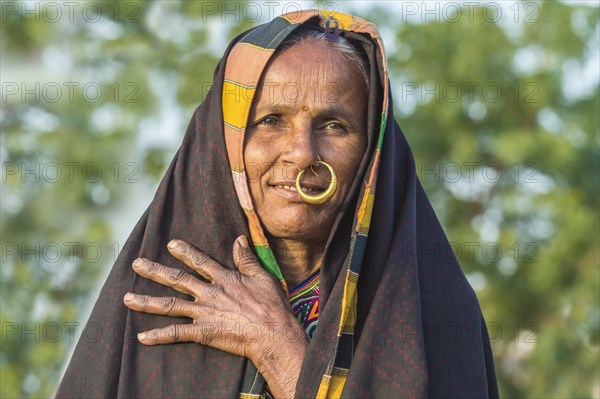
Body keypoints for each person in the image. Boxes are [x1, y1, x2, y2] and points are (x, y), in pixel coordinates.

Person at [55, 10, 498, 399]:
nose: (303, 153)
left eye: (334, 124)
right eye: (270, 121)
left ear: (371, 153)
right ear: (224, 144)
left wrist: (278, 347)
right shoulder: (152, 305)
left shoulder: (432, 316)